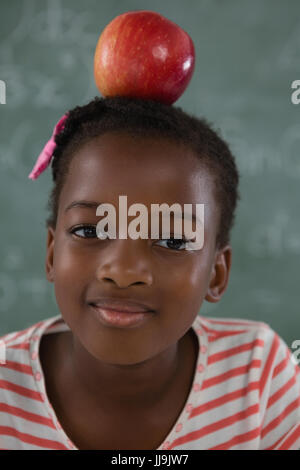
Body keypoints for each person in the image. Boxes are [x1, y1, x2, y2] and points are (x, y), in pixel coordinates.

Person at [0, 96, 299, 450]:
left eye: (172, 241)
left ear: (216, 275)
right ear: (52, 253)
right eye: (90, 231)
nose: (124, 272)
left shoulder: (258, 373)